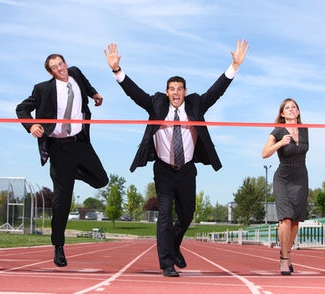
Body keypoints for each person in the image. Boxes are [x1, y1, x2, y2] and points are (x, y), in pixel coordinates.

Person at [104, 40, 249, 277]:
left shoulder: (196, 104)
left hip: (187, 169)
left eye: (180, 88)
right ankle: (167, 263)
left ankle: (174, 246)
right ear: (167, 91)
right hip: (163, 169)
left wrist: (234, 65)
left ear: (185, 92)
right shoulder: (156, 103)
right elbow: (134, 93)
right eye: (172, 88)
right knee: (164, 215)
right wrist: (117, 70)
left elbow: (216, 90)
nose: (176, 92)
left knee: (187, 214)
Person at [16, 54, 109, 267]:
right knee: (62, 201)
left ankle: (73, 173)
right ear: (50, 72)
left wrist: (94, 94)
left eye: (61, 64)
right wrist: (31, 125)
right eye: (55, 67)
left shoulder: (75, 72)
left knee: (101, 180)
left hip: (80, 142)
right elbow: (21, 109)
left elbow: (85, 84)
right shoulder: (42, 89)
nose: (60, 69)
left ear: (66, 64)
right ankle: (58, 246)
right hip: (58, 148)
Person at [261, 98, 309, 275]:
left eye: (294, 107)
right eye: (287, 108)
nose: (291, 110)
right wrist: (280, 143)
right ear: (282, 114)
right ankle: (283, 259)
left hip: (301, 177)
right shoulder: (278, 130)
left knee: (295, 220)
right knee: (286, 218)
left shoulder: (305, 129)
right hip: (283, 178)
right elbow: (264, 154)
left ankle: (288, 255)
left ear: (298, 111)